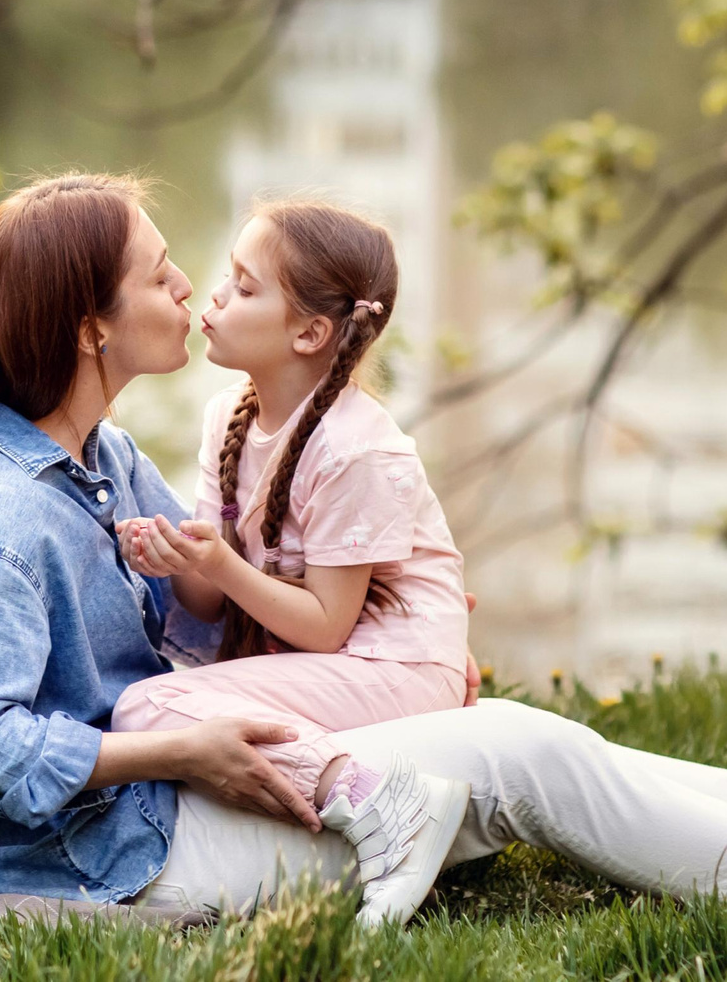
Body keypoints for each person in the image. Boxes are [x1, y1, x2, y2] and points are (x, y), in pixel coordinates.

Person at [0, 172, 727, 924]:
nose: (189, 291)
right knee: (514, 754)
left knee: (517, 749)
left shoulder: (104, 462)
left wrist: (248, 618)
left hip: (190, 787)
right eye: (162, 277)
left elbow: (195, 631)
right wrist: (184, 746)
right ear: (91, 326)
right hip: (125, 852)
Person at [109, 199, 475, 917]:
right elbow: (211, 604)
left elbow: (325, 627)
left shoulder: (353, 448)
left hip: (396, 665)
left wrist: (221, 565)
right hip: (347, 663)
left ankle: (392, 811)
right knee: (165, 703)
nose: (213, 296)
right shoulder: (228, 418)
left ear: (310, 331)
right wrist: (174, 557)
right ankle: (369, 798)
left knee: (149, 705)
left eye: (246, 289)